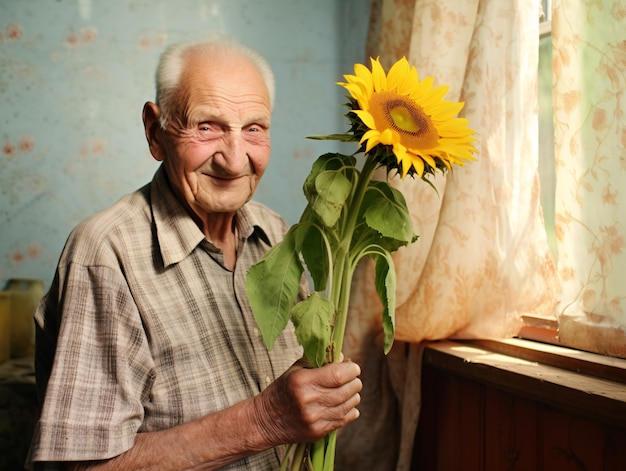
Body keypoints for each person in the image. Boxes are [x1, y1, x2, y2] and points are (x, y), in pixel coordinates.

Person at [27, 38, 362, 470]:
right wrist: (266, 419)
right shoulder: (105, 254)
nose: (234, 160)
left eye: (254, 129)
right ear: (155, 131)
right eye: (208, 127)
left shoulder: (277, 232)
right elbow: (84, 468)